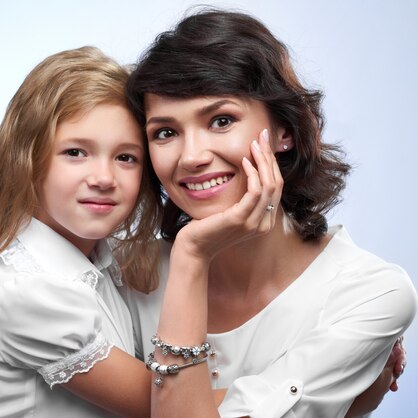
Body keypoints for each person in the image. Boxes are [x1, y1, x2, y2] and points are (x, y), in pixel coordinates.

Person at [123, 8, 417, 417]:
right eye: (166, 132)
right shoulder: (126, 275)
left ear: (285, 131)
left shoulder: (368, 295)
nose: (191, 157)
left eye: (221, 120)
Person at [0, 46, 162, 417]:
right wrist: (293, 384)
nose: (103, 178)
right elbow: (175, 409)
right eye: (76, 153)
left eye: (125, 157)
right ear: (27, 159)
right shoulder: (33, 288)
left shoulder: (100, 259)